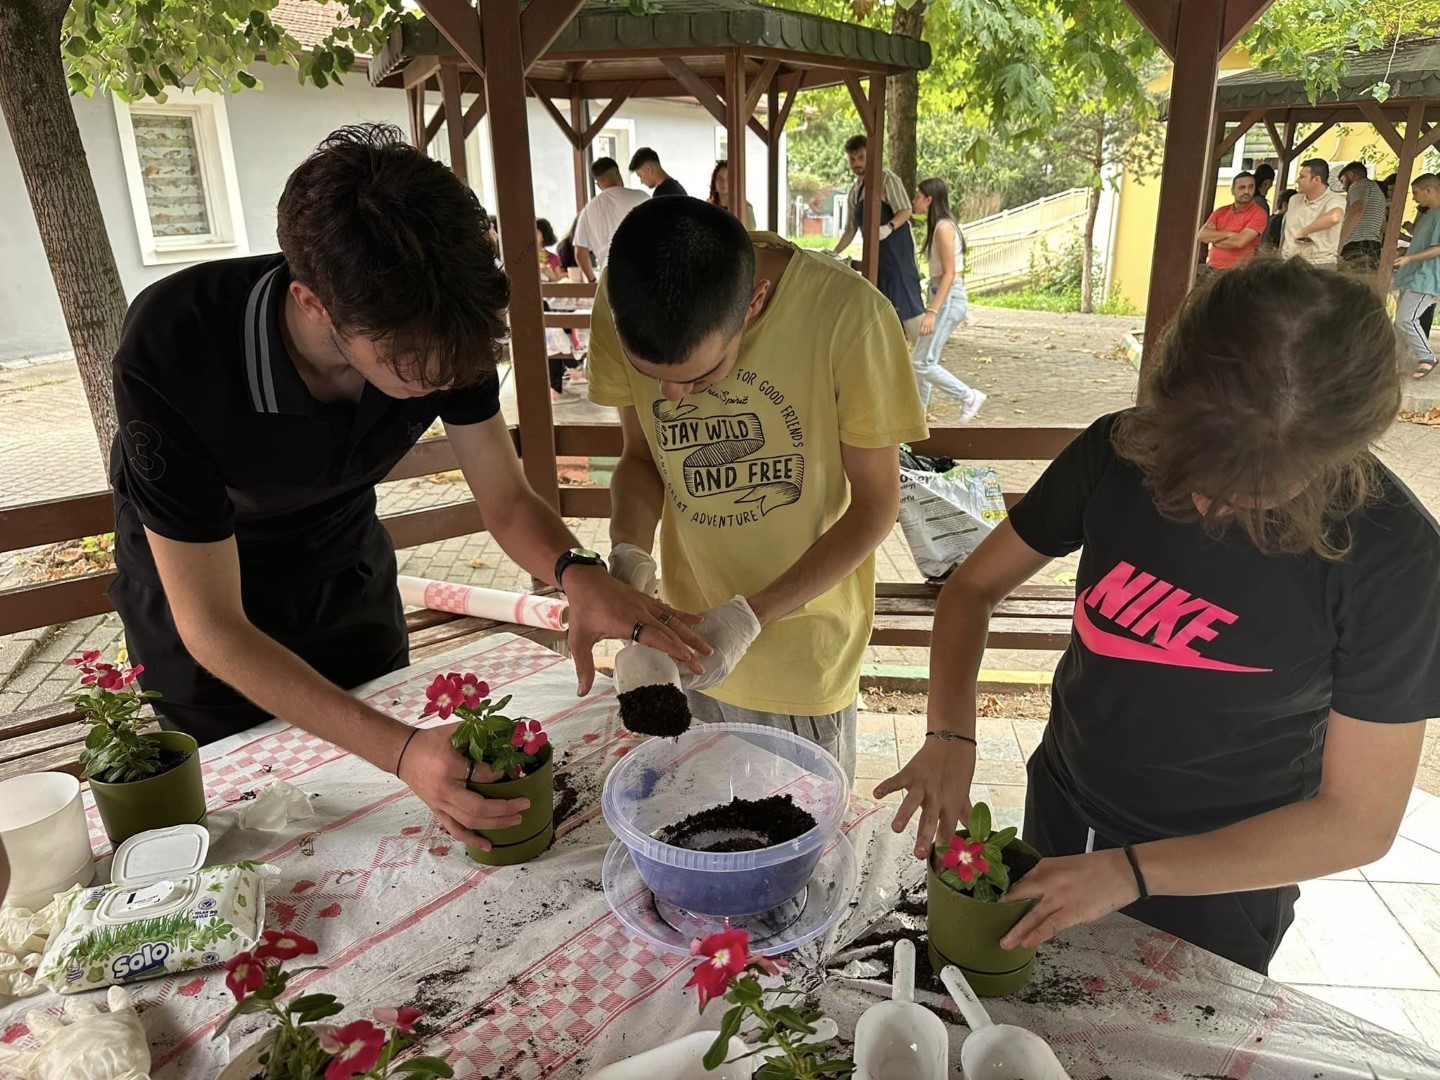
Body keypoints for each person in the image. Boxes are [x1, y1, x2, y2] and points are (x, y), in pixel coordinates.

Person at [108, 124, 708, 852]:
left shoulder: (440, 324)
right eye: (416, 366)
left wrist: (573, 570)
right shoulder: (176, 345)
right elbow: (213, 626)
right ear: (314, 304)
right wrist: (399, 751)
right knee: (264, 838)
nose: (448, 378)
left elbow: (508, 499)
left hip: (345, 573)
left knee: (389, 817)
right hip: (208, 622)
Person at [876, 257, 1439, 976]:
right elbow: (971, 590)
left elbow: (1356, 819)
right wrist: (950, 732)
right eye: (1196, 469)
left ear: (1340, 451)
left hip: (1221, 876)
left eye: (1259, 492)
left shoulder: (1394, 559)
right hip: (1066, 805)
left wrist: (1135, 871)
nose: (1212, 506)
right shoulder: (1120, 450)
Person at [587, 198, 928, 780]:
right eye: (654, 377)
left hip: (802, 657)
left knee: (796, 854)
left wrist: (752, 616)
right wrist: (629, 556)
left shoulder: (851, 317)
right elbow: (642, 456)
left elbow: (877, 505)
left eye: (700, 376)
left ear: (755, 304)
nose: (672, 398)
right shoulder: (625, 300)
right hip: (684, 646)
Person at [832, 134, 926, 342]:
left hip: (898, 256)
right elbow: (850, 229)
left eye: (861, 157)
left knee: (910, 308)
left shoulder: (887, 179)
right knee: (882, 311)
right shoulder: (854, 192)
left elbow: (905, 210)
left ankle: (924, 360)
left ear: (871, 156)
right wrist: (835, 252)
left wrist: (888, 227)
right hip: (878, 260)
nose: (856, 163)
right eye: (852, 159)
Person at [910, 178, 985, 421]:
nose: (914, 201)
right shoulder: (941, 226)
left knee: (922, 362)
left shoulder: (943, 227)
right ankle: (918, 415)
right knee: (922, 361)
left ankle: (968, 396)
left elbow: (949, 274)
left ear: (929, 200)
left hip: (948, 297)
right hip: (942, 294)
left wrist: (932, 312)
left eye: (918, 197)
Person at [1393, 173, 1440, 380]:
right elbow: (1421, 244)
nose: (1414, 198)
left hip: (1426, 277)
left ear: (1429, 191)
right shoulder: (1428, 214)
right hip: (1413, 275)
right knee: (1400, 323)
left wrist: (1409, 259)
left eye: (1416, 193)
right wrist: (1405, 254)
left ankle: (1427, 357)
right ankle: (1396, 363)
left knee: (1407, 319)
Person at [572, 157, 649, 281]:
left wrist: (592, 280)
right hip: (643, 272)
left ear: (597, 183)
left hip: (609, 276)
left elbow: (579, 253)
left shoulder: (589, 210)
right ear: (618, 174)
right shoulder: (642, 197)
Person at [538, 218, 581, 404]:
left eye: (538, 232)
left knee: (557, 341)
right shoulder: (521, 256)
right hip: (536, 305)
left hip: (552, 304)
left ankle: (558, 383)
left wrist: (549, 274)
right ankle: (568, 374)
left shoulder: (552, 257)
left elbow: (556, 282)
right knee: (553, 343)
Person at [1197, 171, 1268, 272]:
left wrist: (1214, 239)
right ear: (1233, 190)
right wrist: (1230, 234)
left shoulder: (1258, 213)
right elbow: (1202, 235)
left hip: (1238, 271)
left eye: (1251, 187)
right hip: (1212, 267)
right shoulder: (1220, 211)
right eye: (1242, 187)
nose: (1247, 191)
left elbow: (1239, 242)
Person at [1281, 158, 1346, 266]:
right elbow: (1287, 233)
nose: (1297, 180)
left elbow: (1334, 217)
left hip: (1319, 264)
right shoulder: (1294, 199)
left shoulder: (1335, 199)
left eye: (1302, 177)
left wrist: (1305, 231)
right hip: (1288, 261)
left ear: (1316, 179)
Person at [1337, 161, 1388, 272]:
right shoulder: (1379, 194)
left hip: (1357, 245)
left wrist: (1340, 242)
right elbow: (1384, 226)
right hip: (1373, 247)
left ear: (1350, 175)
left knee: (1346, 283)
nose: (1342, 187)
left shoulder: (1358, 185)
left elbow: (1357, 210)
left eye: (1342, 181)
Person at [708, 160, 757, 230]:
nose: (724, 182)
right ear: (714, 182)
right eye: (720, 179)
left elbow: (750, 235)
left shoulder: (744, 208)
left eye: (728, 179)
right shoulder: (709, 207)